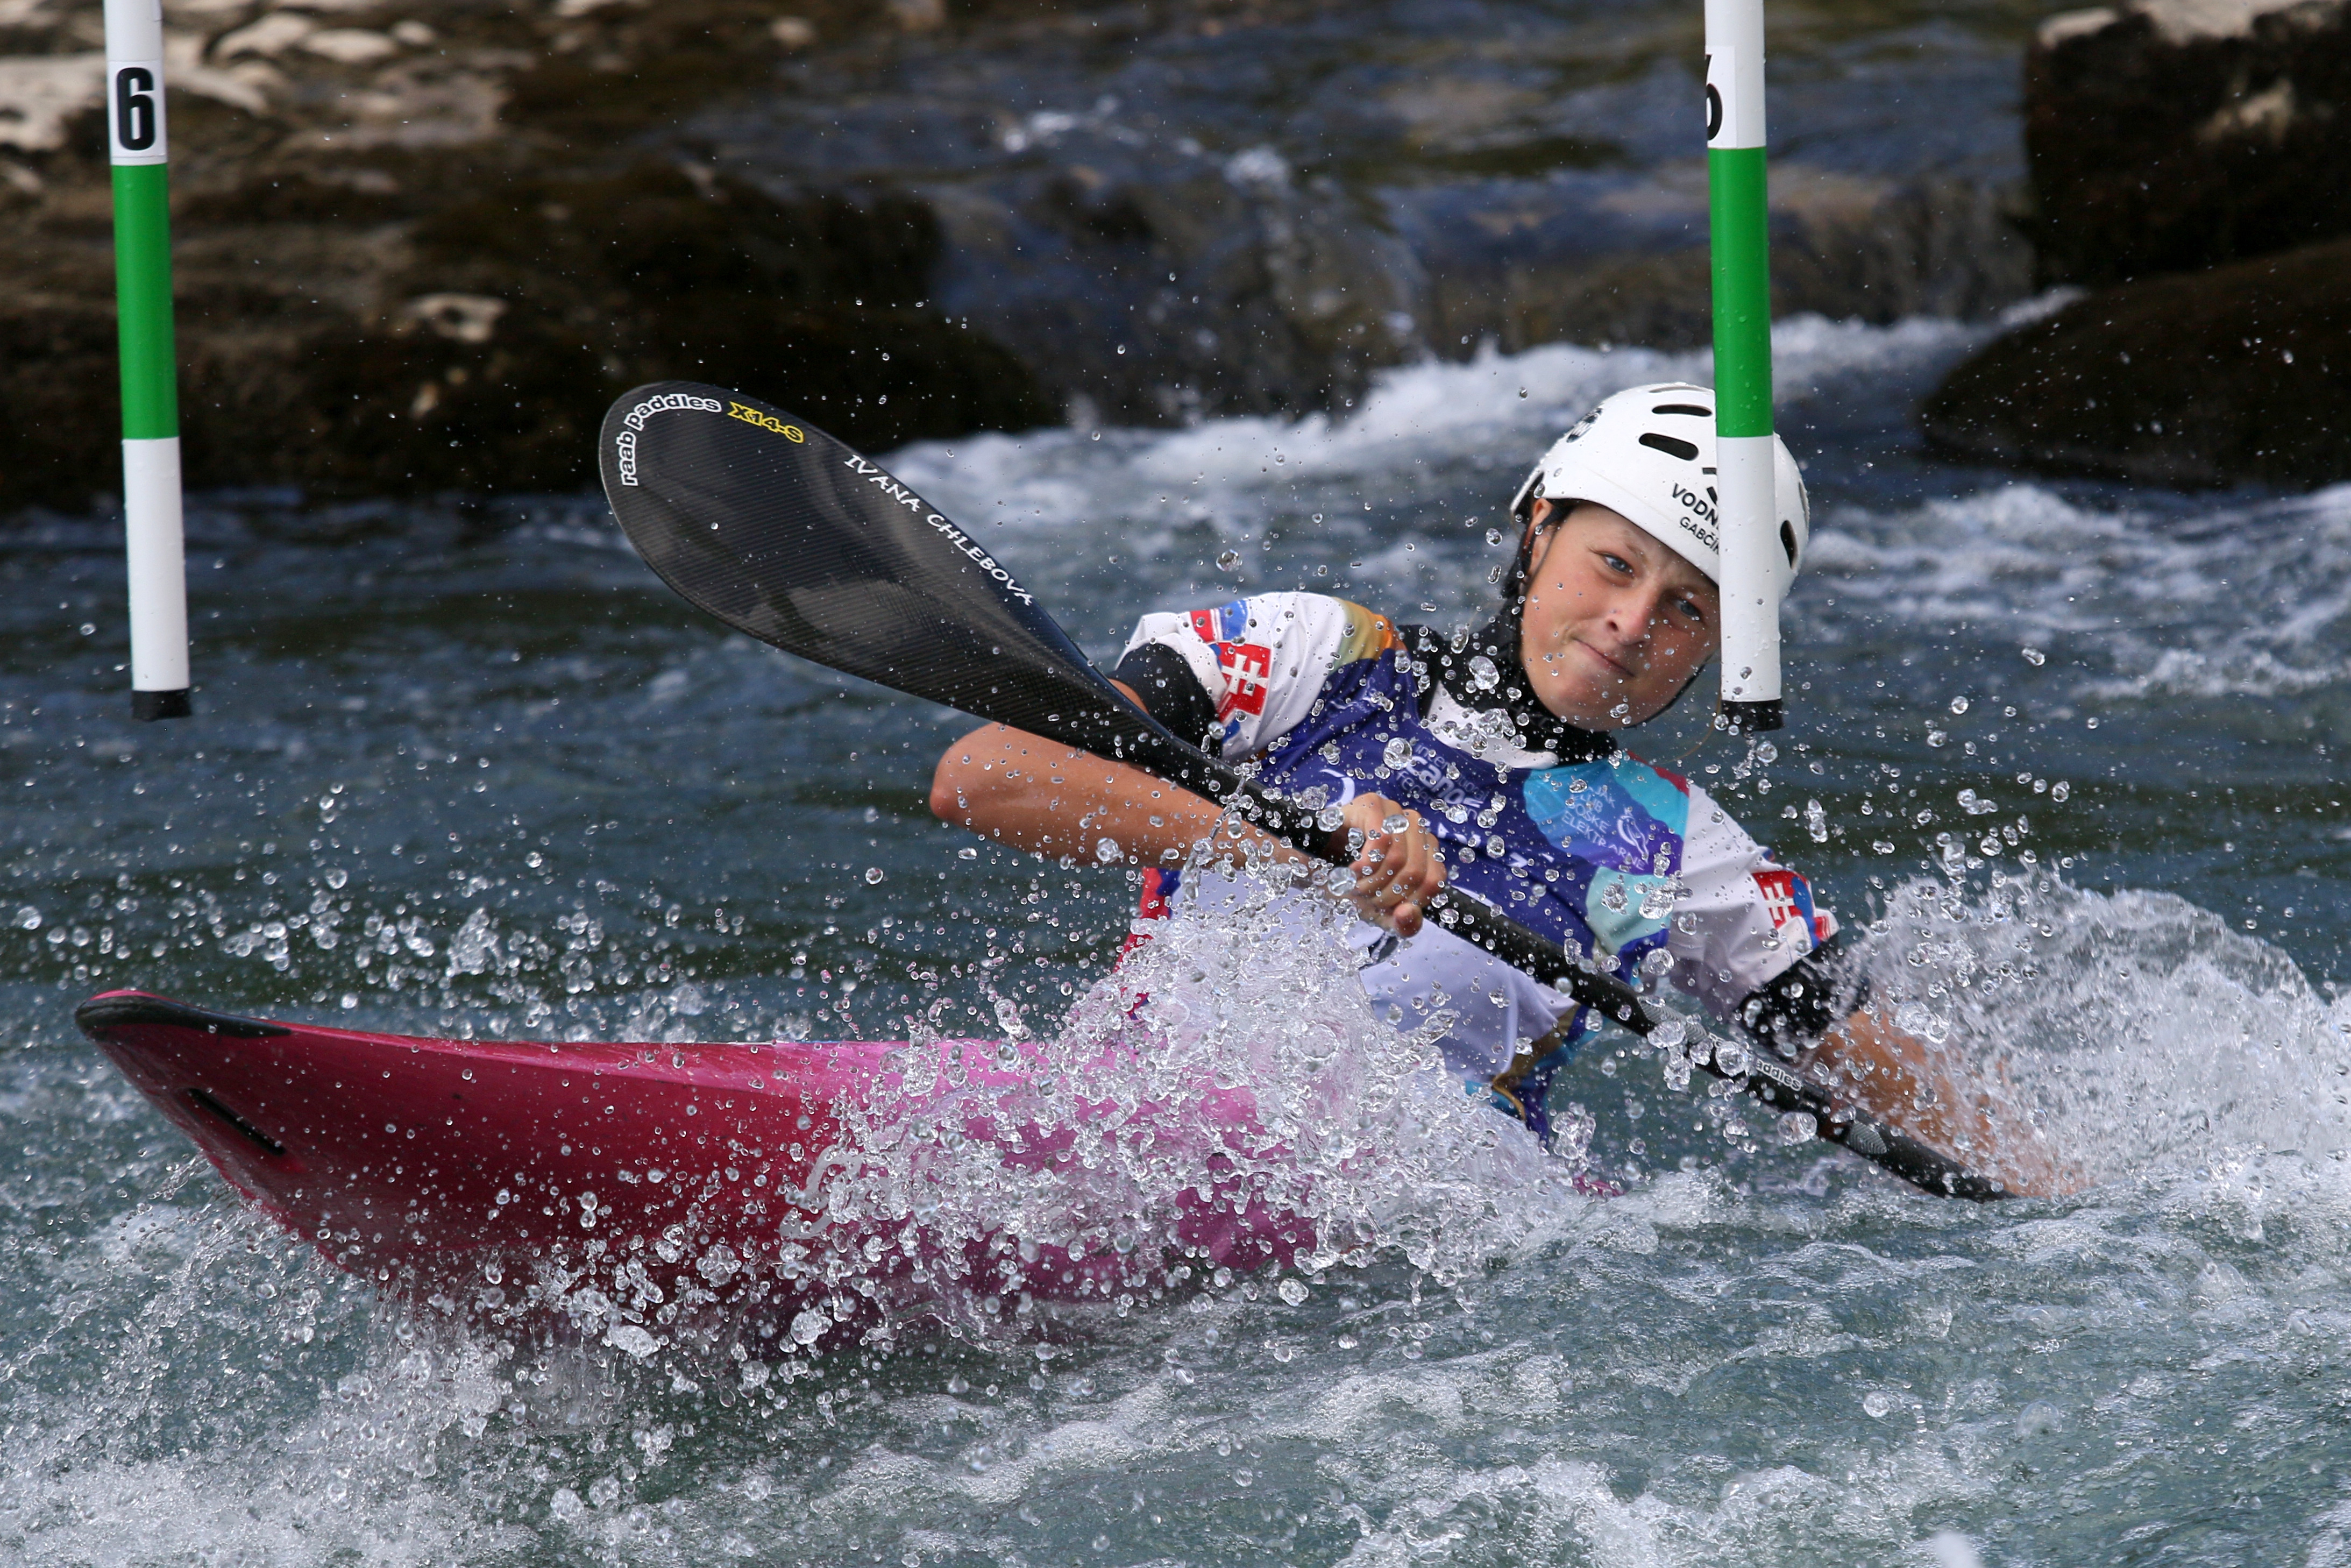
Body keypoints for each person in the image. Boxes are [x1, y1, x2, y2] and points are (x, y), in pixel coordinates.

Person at [931, 382, 2058, 1195]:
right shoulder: (1315, 653)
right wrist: (1298, 848)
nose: (1631, 624)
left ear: (1722, 648)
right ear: (1538, 530)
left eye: (1686, 609)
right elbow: (983, 777)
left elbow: (1890, 1075)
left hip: (1424, 1232)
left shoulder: (1675, 847)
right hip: (1137, 1132)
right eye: (1613, 565)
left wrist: (2076, 1203)